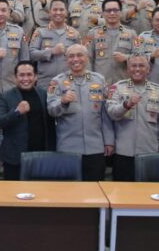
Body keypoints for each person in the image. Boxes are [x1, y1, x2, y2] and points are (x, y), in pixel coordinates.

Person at [47, 44, 113, 181]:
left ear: (87, 58)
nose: (75, 59)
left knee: (95, 191)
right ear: (66, 60)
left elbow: (105, 114)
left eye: (79, 55)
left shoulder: (99, 80)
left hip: (95, 146)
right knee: (69, 192)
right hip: (68, 147)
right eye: (71, 56)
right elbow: (51, 111)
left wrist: (109, 141)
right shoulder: (57, 82)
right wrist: (63, 101)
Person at [105, 53, 159, 181]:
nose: (137, 69)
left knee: (147, 194)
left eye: (141, 66)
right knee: (122, 194)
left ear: (148, 70)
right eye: (133, 66)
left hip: (150, 152)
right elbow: (111, 113)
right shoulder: (117, 88)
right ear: (128, 70)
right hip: (123, 152)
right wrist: (126, 105)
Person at [0, 61, 55, 180]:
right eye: (21, 75)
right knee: (13, 194)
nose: (25, 78)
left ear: (35, 77)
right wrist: (16, 112)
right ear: (15, 77)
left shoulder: (43, 94)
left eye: (29, 74)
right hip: (15, 158)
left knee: (40, 194)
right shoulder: (5, 96)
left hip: (41, 155)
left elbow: (51, 123)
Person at [29, 0, 81, 90]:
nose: (58, 12)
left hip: (69, 81)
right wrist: (52, 51)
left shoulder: (75, 33)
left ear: (66, 13)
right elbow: (31, 54)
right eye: (55, 10)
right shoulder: (40, 31)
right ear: (49, 13)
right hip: (45, 81)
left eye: (61, 10)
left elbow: (82, 58)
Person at [88, 0, 138, 85]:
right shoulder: (92, 34)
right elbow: (88, 60)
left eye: (115, 10)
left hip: (124, 85)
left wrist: (127, 58)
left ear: (121, 12)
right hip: (99, 84)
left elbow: (140, 58)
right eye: (108, 10)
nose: (112, 13)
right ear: (103, 13)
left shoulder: (131, 33)